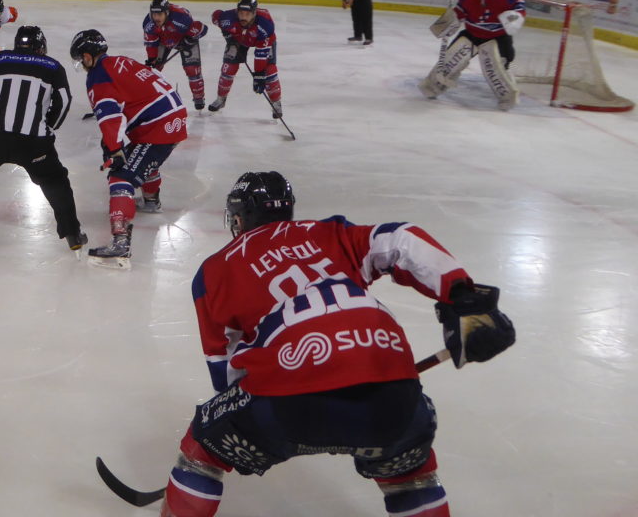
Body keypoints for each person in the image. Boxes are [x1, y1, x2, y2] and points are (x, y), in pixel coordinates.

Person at [157, 171, 516, 517]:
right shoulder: (330, 233)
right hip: (393, 394)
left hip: (283, 401)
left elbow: (225, 369)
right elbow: (402, 238)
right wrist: (462, 295)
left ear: (240, 216)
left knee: (202, 450)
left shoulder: (216, 268)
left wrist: (241, 429)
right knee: (411, 476)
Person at [0, 26, 86, 252]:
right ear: (41, 47)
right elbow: (64, 101)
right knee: (54, 181)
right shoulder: (52, 66)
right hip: (33, 142)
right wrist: (48, 126)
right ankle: (72, 234)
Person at [69, 29, 188, 269]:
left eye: (81, 58)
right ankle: (151, 200)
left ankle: (120, 241)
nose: (81, 64)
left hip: (159, 127)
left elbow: (110, 118)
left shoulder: (98, 76)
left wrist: (114, 151)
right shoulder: (119, 61)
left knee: (120, 175)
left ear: (88, 55)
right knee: (140, 158)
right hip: (173, 117)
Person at [419, 0, 526, 110]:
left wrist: (515, 17)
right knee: (450, 60)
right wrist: (448, 22)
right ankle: (431, 87)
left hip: (497, 36)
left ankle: (507, 98)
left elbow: (519, 7)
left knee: (497, 68)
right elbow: (460, 10)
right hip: (472, 33)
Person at [207, 0, 283, 117]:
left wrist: (259, 75)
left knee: (269, 72)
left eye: (247, 14)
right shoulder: (228, 18)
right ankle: (221, 99)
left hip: (262, 40)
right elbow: (215, 16)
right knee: (228, 68)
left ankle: (276, 103)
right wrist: (227, 34)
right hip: (239, 40)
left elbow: (260, 55)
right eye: (241, 13)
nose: (243, 17)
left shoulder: (265, 25)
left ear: (254, 13)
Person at [143, 0, 209, 110]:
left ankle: (199, 97)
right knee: (153, 69)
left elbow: (203, 28)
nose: (156, 18)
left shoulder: (181, 17)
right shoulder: (148, 24)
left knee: (192, 70)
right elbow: (151, 43)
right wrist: (152, 59)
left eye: (160, 14)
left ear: (167, 12)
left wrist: (190, 39)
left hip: (184, 39)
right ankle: (149, 96)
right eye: (154, 14)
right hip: (164, 41)